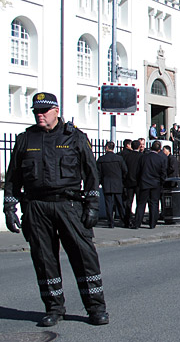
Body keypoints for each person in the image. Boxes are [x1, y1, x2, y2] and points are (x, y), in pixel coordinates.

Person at [3, 92, 109, 327]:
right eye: (36, 112)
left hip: (69, 204)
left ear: (56, 111)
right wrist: (9, 207)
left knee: (84, 257)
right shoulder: (25, 139)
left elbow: (92, 174)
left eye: (44, 111)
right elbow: (13, 178)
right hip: (36, 206)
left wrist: (92, 205)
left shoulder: (75, 137)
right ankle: (53, 308)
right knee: (44, 259)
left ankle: (96, 307)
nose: (39, 115)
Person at [131, 140, 167, 229]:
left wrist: (139, 181)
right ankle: (152, 223)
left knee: (141, 203)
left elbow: (138, 171)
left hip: (144, 183)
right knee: (154, 203)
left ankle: (137, 223)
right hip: (156, 184)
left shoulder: (144, 157)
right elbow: (163, 173)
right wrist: (161, 182)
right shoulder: (160, 159)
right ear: (159, 149)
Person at [96, 141, 128, 228]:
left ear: (106, 148)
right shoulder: (119, 158)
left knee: (108, 204)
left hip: (106, 183)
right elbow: (125, 170)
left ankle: (111, 222)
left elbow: (98, 173)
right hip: (117, 183)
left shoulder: (101, 159)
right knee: (120, 204)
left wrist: (99, 183)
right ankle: (124, 220)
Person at [122, 139, 142, 227]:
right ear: (139, 147)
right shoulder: (142, 156)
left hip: (129, 181)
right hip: (138, 182)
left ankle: (127, 219)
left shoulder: (127, 156)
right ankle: (137, 221)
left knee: (128, 202)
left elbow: (124, 169)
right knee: (139, 202)